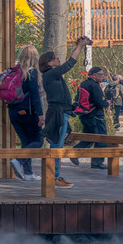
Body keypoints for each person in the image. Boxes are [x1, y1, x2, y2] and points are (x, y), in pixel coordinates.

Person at [38, 36, 89, 188]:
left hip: (61, 112)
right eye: (55, 58)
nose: (58, 58)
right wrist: (79, 46)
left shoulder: (54, 76)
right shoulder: (50, 74)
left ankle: (56, 175)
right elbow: (69, 65)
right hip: (58, 113)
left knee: (58, 144)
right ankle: (54, 176)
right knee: (56, 145)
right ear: (49, 63)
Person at [5, 44, 43, 180]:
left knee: (26, 141)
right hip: (28, 112)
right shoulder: (31, 72)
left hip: (13, 112)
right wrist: (40, 114)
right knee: (38, 140)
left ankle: (28, 173)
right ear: (35, 58)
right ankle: (19, 160)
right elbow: (35, 96)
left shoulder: (14, 71)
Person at [72, 66, 110, 169]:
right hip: (96, 115)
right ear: (94, 75)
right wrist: (107, 103)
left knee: (88, 137)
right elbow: (98, 102)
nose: (102, 77)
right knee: (101, 138)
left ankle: (75, 152)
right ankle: (97, 162)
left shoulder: (83, 84)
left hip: (85, 114)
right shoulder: (95, 85)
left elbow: (77, 98)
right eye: (101, 74)